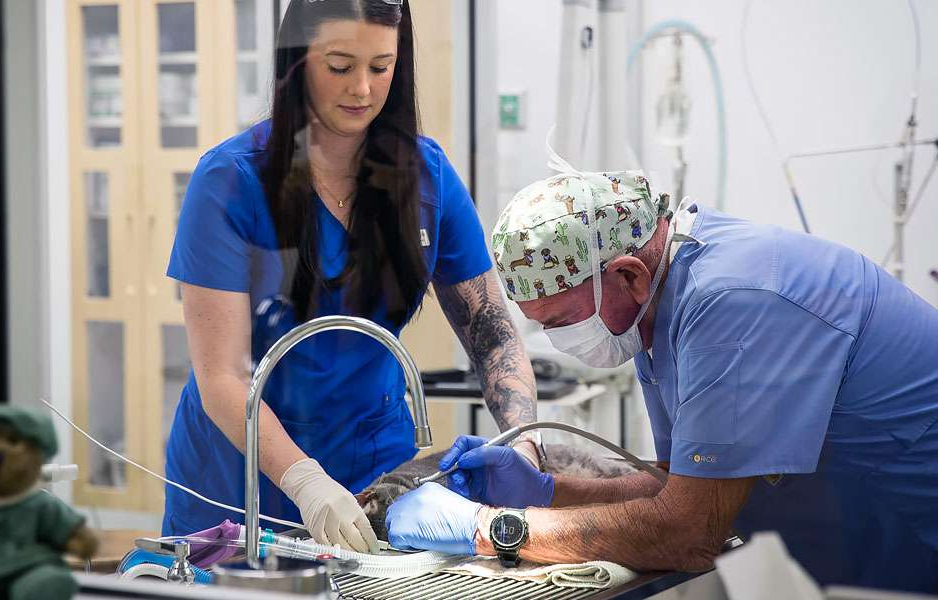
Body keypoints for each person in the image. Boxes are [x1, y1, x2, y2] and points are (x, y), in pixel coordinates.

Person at [386, 149, 938, 592]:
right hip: (876, 531)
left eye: (562, 319)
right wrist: (545, 491)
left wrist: (488, 530)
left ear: (627, 276)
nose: (556, 340)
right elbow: (679, 484)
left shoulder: (729, 301)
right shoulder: (659, 305)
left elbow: (689, 532)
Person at [163, 0, 541, 553]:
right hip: (240, 482)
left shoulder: (426, 177)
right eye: (340, 66)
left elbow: (491, 331)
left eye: (381, 67)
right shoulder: (231, 182)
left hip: (375, 471)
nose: (362, 88)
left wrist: (523, 443)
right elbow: (222, 376)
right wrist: (305, 482)